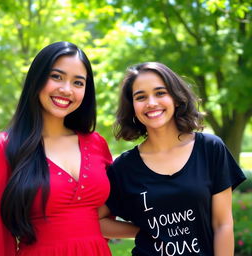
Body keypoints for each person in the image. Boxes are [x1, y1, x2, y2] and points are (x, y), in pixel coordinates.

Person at [102, 62, 246, 255]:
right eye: (141, 97)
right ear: (133, 107)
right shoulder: (124, 167)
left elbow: (223, 225)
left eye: (160, 93)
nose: (151, 102)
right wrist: (141, 231)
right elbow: (96, 221)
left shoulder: (210, 149)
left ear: (176, 98)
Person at [0, 41, 113, 255]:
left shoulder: (97, 143)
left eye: (78, 83)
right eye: (56, 76)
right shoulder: (3, 147)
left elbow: (105, 218)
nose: (66, 89)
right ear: (36, 79)